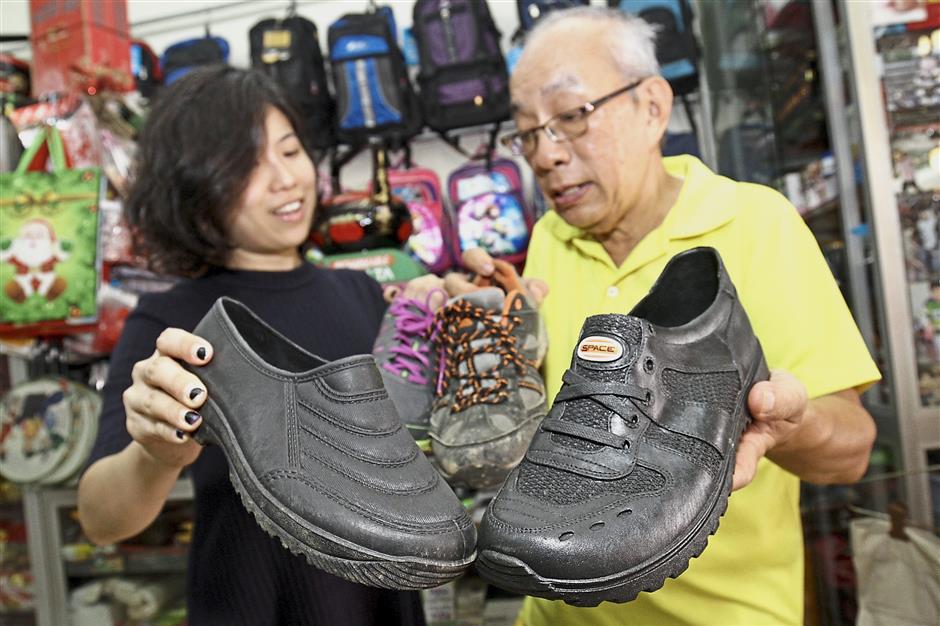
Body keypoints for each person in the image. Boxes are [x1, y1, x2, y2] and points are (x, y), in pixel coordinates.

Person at [446, 8, 879, 625]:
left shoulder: (756, 223)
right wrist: (498, 344)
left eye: (571, 118)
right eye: (526, 133)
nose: (545, 155)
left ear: (652, 107)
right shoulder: (547, 238)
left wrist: (791, 423)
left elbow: (853, 451)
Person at [77, 67, 425, 625]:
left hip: (381, 602)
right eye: (249, 166)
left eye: (289, 151)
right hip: (253, 604)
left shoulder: (361, 292)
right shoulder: (171, 320)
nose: (285, 179)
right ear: (198, 190)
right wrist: (156, 457)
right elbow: (100, 516)